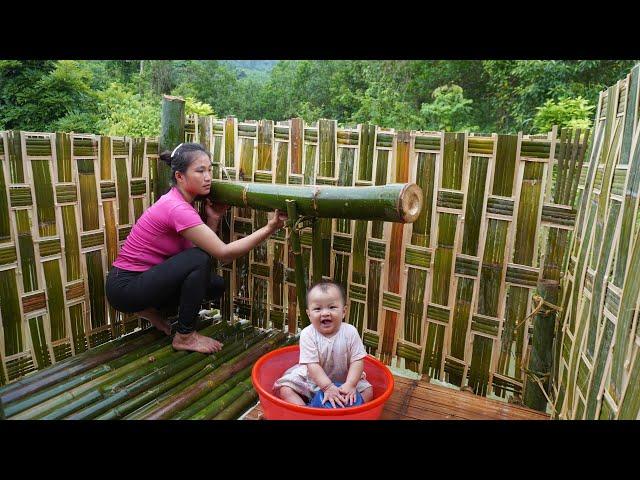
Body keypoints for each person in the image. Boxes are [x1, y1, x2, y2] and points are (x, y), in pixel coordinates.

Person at [105, 142, 286, 354]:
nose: (208, 177)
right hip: (125, 287)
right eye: (200, 171)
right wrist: (270, 227)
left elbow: (192, 258)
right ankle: (184, 336)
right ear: (180, 176)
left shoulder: (180, 202)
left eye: (210, 170)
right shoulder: (176, 208)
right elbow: (222, 253)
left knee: (214, 285)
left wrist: (213, 218)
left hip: (143, 281)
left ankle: (148, 309)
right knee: (199, 259)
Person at [274, 280, 373, 408]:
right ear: (309, 314)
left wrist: (351, 384)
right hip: (312, 381)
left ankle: (347, 412)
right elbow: (312, 365)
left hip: (346, 379)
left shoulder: (350, 332)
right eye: (317, 309)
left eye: (332, 307)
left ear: (343, 311)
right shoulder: (308, 334)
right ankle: (307, 412)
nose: (325, 313)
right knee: (285, 390)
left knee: (368, 392)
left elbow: (357, 361)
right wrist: (327, 387)